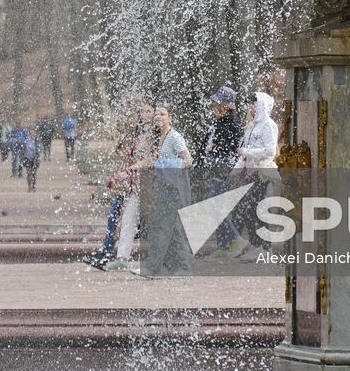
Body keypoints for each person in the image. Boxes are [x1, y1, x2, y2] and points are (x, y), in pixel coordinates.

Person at [133, 106, 194, 277]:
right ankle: (182, 268)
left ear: (170, 117)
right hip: (164, 189)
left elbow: (188, 161)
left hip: (174, 190)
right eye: (156, 114)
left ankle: (152, 268)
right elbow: (153, 161)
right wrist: (133, 168)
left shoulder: (174, 137)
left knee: (160, 227)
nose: (158, 116)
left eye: (162, 114)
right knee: (173, 230)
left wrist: (164, 165)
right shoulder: (160, 138)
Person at [103, 101, 157, 271]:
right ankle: (122, 258)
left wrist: (128, 170)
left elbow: (151, 159)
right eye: (142, 111)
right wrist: (122, 176)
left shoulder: (157, 135)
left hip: (151, 187)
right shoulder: (137, 134)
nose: (145, 114)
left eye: (149, 111)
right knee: (127, 220)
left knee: (156, 222)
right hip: (136, 186)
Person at [229, 91, 280, 256]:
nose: (250, 107)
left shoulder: (268, 125)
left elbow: (270, 150)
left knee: (258, 208)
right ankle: (255, 243)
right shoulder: (253, 125)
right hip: (248, 172)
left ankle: (265, 247)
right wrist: (234, 172)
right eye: (249, 104)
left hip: (261, 173)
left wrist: (247, 151)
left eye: (253, 104)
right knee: (246, 209)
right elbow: (243, 154)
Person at [199, 86, 244, 256]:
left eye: (215, 104)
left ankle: (236, 238)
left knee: (216, 205)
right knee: (217, 206)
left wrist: (215, 147)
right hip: (216, 169)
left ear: (225, 105)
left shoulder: (233, 123)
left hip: (225, 170)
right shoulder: (217, 122)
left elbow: (236, 147)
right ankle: (223, 246)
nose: (212, 107)